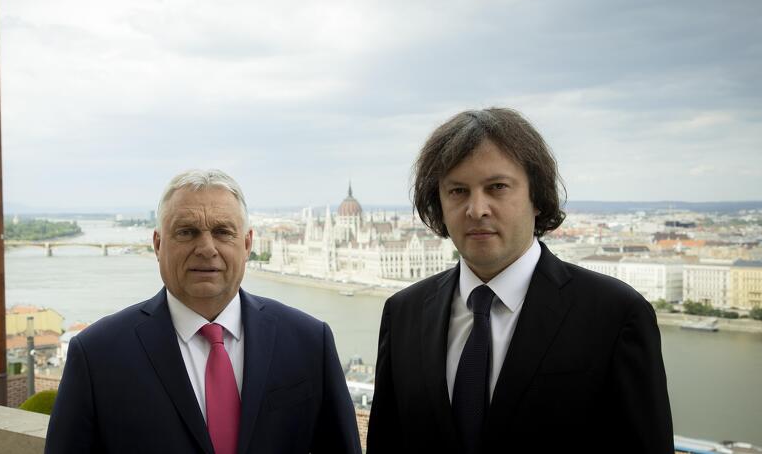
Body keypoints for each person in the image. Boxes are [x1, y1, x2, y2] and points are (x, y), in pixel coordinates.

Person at [366, 108, 673, 453]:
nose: (476, 209)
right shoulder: (404, 313)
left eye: (497, 187)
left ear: (537, 197)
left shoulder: (615, 315)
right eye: (457, 191)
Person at [45, 169, 361, 454]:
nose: (207, 248)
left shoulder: (309, 342)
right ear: (157, 245)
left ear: (247, 244)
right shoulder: (97, 356)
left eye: (223, 231)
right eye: (187, 232)